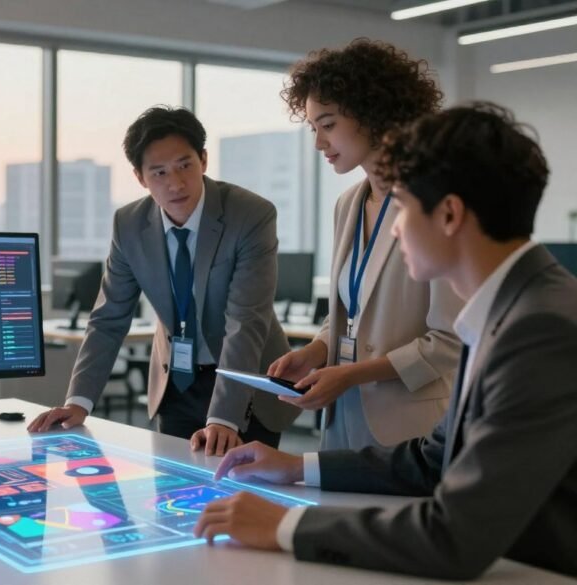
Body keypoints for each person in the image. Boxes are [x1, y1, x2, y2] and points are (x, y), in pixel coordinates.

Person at [193, 103, 577, 579]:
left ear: (450, 214)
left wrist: (288, 525)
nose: (394, 227)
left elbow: (454, 536)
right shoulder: (513, 308)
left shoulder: (542, 330)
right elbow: (432, 459)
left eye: (403, 206)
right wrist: (297, 466)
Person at [29, 106, 300, 452]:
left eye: (185, 165)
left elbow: (245, 321)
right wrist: (78, 402)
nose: (175, 183)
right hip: (175, 385)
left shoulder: (250, 215)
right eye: (158, 172)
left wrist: (223, 418)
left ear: (203, 159)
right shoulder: (129, 225)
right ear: (140, 177)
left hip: (245, 386)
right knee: (173, 500)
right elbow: (109, 319)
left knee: (247, 500)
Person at [268, 38, 463, 449]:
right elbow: (350, 310)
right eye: (313, 128)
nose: (319, 143)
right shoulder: (347, 204)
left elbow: (450, 341)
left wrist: (354, 373)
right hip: (342, 419)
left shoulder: (433, 201)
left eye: (328, 124)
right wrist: (318, 351)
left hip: (411, 429)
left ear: (373, 115)